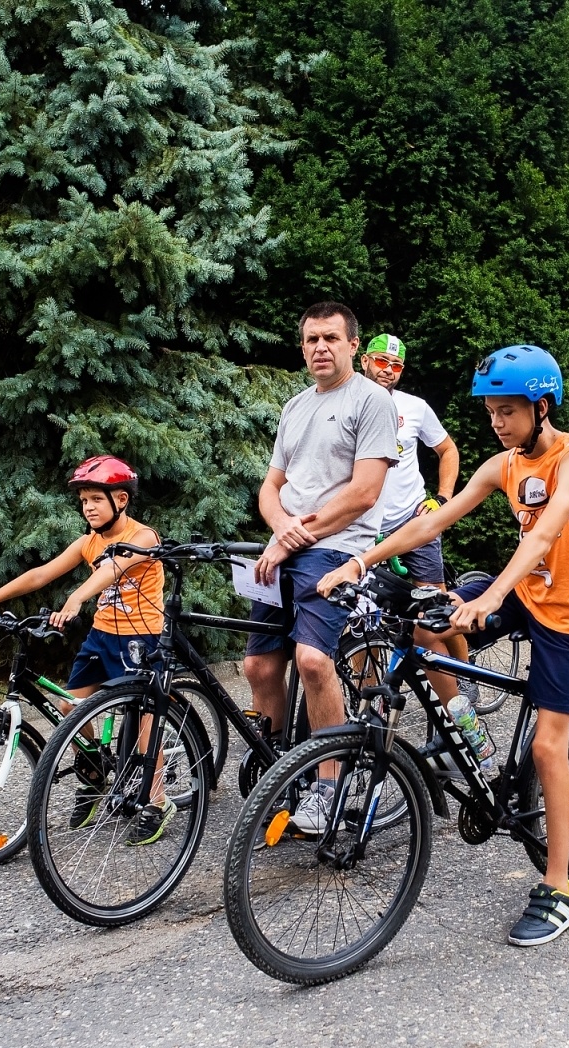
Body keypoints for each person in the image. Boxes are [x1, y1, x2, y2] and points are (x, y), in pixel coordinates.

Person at [318, 344, 569, 947]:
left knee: (548, 746)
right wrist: (360, 561)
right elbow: (432, 522)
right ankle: (465, 732)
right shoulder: (504, 464)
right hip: (526, 591)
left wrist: (493, 597)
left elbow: (547, 531)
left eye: (508, 412)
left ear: (542, 406)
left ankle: (559, 887)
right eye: (491, 412)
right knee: (428, 623)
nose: (497, 423)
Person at [0, 456, 174, 843]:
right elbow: (40, 574)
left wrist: (75, 600)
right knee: (68, 707)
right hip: (102, 636)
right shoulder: (87, 542)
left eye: (96, 498)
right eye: (83, 501)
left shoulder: (144, 537)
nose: (89, 507)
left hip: (140, 639)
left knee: (146, 723)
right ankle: (94, 771)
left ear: (122, 500)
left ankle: (157, 802)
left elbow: (111, 570)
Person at [247, 301, 398, 833]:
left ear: (353, 344)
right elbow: (270, 488)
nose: (320, 348)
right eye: (311, 339)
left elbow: (364, 492)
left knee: (312, 661)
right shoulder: (294, 407)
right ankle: (278, 772)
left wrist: (296, 536)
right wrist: (282, 531)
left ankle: (330, 781)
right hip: (287, 544)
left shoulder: (372, 400)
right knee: (258, 667)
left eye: (331, 338)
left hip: (336, 548)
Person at [359, 332, 474, 710]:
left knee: (440, 608)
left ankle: (467, 674)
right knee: (361, 619)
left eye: (396, 366)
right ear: (364, 361)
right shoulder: (348, 403)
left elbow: (447, 449)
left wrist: (442, 498)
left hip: (413, 518)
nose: (387, 371)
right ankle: (369, 702)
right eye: (381, 361)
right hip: (365, 527)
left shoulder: (416, 407)